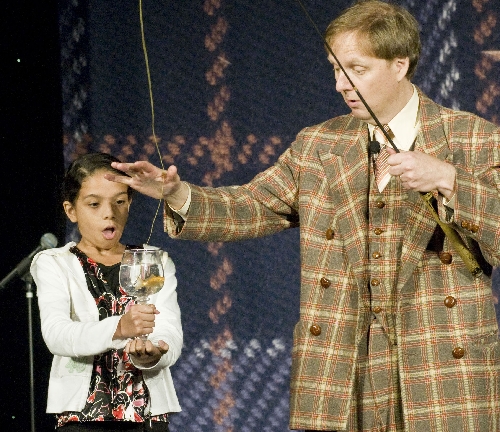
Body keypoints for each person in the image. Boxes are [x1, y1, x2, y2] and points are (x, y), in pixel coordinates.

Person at [105, 1, 500, 431]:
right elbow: (251, 206)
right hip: (344, 367)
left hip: (440, 365)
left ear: (399, 64)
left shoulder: (473, 138)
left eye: (357, 69)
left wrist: (449, 180)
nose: (341, 85)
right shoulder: (318, 145)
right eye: (335, 69)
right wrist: (177, 194)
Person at [30, 152, 183, 431]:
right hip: (83, 416)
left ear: (129, 204)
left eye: (119, 201)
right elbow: (57, 334)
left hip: (146, 415)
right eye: (94, 204)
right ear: (71, 210)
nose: (109, 212)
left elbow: (169, 331)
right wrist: (120, 328)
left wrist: (154, 353)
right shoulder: (54, 263)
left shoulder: (154, 260)